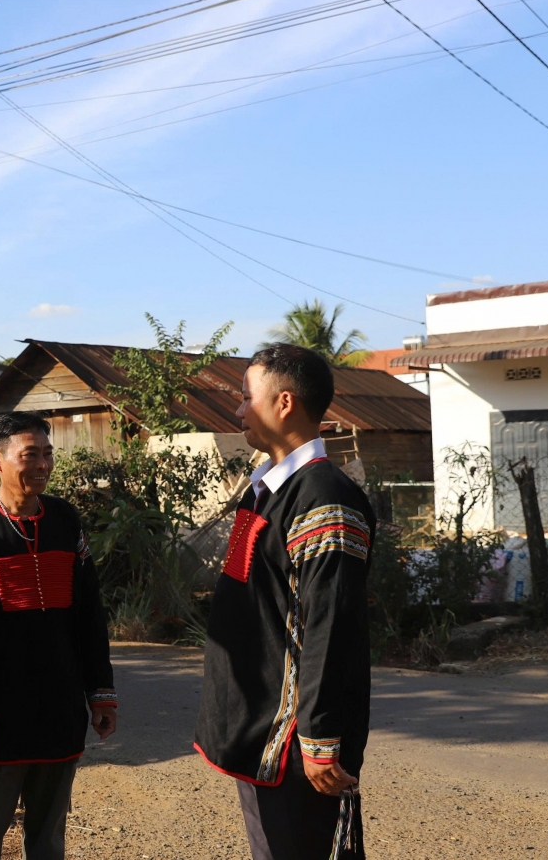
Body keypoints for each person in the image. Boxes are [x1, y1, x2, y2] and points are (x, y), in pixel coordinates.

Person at [193, 344, 375, 860]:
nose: (238, 410)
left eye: (246, 397)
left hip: (295, 741)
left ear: (285, 403)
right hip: (258, 728)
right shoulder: (263, 491)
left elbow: (330, 627)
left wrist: (319, 740)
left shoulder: (326, 499)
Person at [0, 411, 117, 860]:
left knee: (49, 837)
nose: (42, 464)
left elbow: (89, 615)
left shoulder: (65, 520)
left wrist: (100, 692)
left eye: (47, 454)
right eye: (30, 454)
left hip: (60, 710)